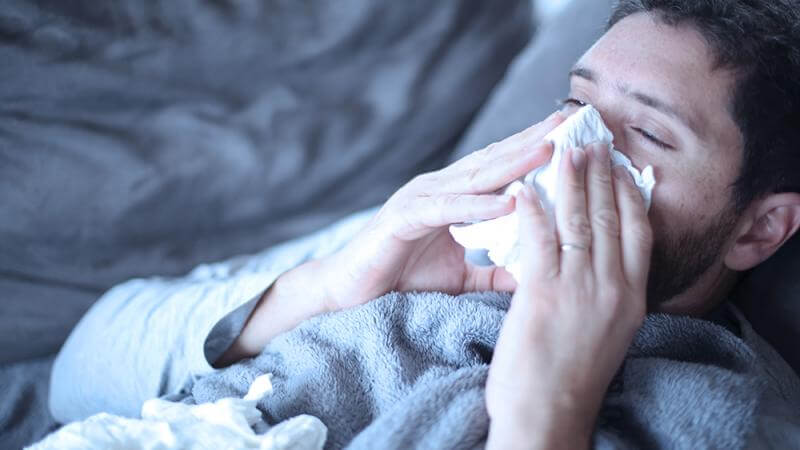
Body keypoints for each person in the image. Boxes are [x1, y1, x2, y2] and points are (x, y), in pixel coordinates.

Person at [50, 0, 800, 448]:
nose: (576, 154)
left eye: (650, 135)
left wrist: (549, 408)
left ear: (759, 230)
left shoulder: (739, 416)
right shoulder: (446, 233)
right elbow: (71, 376)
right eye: (578, 107)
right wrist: (333, 284)